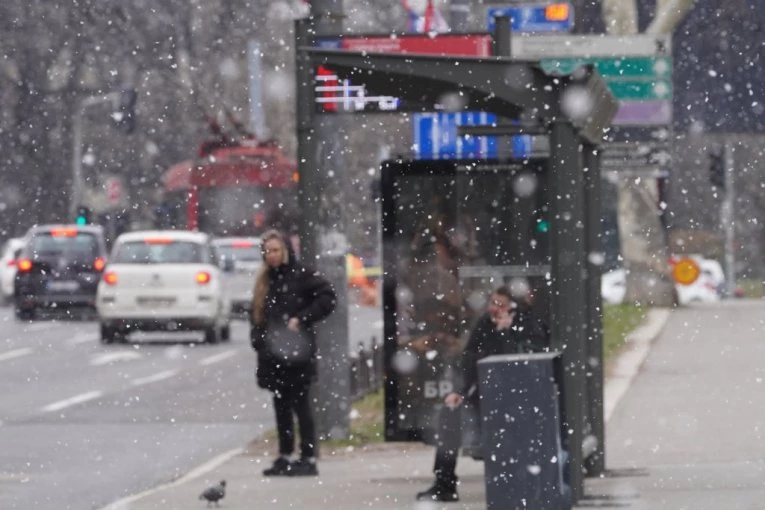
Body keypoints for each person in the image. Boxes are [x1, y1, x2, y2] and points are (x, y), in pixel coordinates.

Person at [416, 286, 548, 502]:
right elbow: (469, 359)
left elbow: (522, 364)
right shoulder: (485, 324)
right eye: (492, 303)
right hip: (483, 396)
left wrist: (507, 333)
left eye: (500, 305)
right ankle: (444, 482)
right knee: (449, 417)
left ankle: (516, 484)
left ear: (513, 308)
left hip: (516, 400)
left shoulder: (528, 325)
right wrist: (459, 391)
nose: (493, 309)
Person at [250, 229, 336, 477]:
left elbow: (328, 298)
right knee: (281, 406)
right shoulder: (265, 280)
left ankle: (308, 457)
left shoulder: (302, 276)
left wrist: (302, 319)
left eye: (276, 250)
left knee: (301, 406)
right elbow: (257, 315)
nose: (272, 256)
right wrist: (259, 341)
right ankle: (285, 455)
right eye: (267, 251)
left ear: (286, 251)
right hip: (272, 356)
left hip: (297, 354)